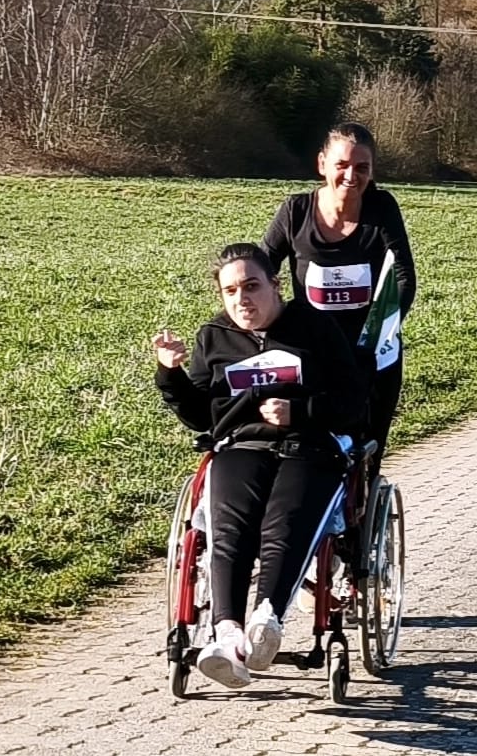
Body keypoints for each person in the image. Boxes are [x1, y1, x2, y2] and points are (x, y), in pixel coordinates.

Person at [153, 243, 368, 689]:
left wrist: (301, 413)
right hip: (241, 447)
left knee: (284, 523)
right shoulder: (213, 337)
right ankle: (227, 634)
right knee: (229, 528)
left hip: (310, 446)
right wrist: (169, 373)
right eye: (231, 291)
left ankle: (267, 618)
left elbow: (354, 403)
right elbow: (200, 414)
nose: (241, 299)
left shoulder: (317, 329)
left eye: (251, 286)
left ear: (274, 285)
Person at [260, 122, 416, 484]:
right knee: (310, 441)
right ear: (322, 164)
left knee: (365, 452)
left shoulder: (381, 208)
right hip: (313, 352)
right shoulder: (296, 211)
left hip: (371, 353)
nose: (351, 175)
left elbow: (404, 277)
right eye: (342, 165)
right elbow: (264, 269)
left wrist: (377, 338)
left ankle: (358, 529)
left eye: (362, 168)